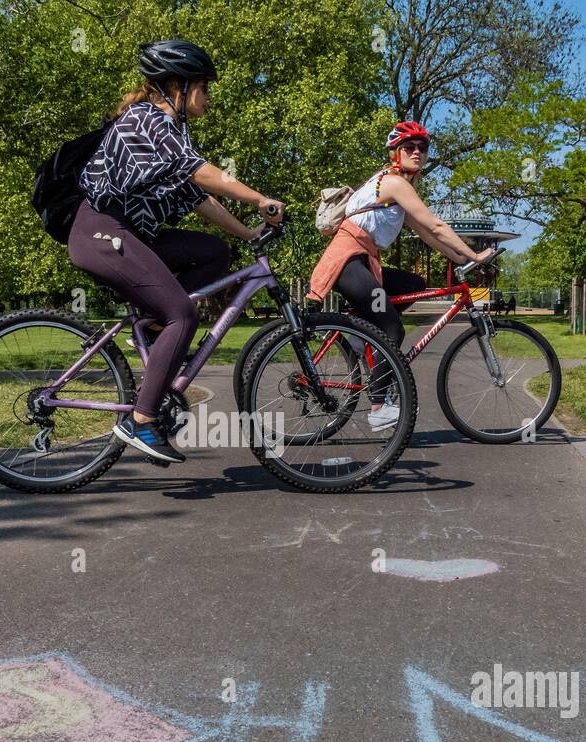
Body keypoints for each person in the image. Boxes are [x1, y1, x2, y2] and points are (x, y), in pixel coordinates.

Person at [69, 39, 285, 465]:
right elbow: (204, 175)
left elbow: (200, 199)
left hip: (130, 235)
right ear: (177, 87)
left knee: (212, 252)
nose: (207, 96)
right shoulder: (147, 120)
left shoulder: (170, 132)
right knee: (182, 315)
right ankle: (142, 420)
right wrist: (260, 198)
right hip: (102, 233)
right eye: (203, 87)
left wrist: (248, 234)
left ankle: (152, 329)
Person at [307, 121, 492, 430]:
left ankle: (358, 338)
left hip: (364, 262)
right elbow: (435, 226)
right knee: (393, 329)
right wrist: (475, 255)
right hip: (349, 262)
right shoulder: (394, 183)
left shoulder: (399, 187)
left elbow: (427, 234)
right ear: (395, 153)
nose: (418, 152)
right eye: (410, 147)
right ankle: (379, 406)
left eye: (423, 147)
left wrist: (459, 258)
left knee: (414, 284)